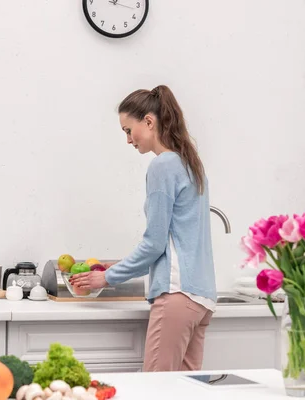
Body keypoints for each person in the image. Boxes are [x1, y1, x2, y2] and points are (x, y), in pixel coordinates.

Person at [70, 85, 217, 372]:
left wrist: (107, 278)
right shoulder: (190, 163)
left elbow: (155, 244)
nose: (128, 140)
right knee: (187, 393)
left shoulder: (163, 166)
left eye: (128, 130)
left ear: (149, 122)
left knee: (155, 389)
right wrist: (118, 265)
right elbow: (177, 241)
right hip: (201, 299)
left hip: (177, 295)